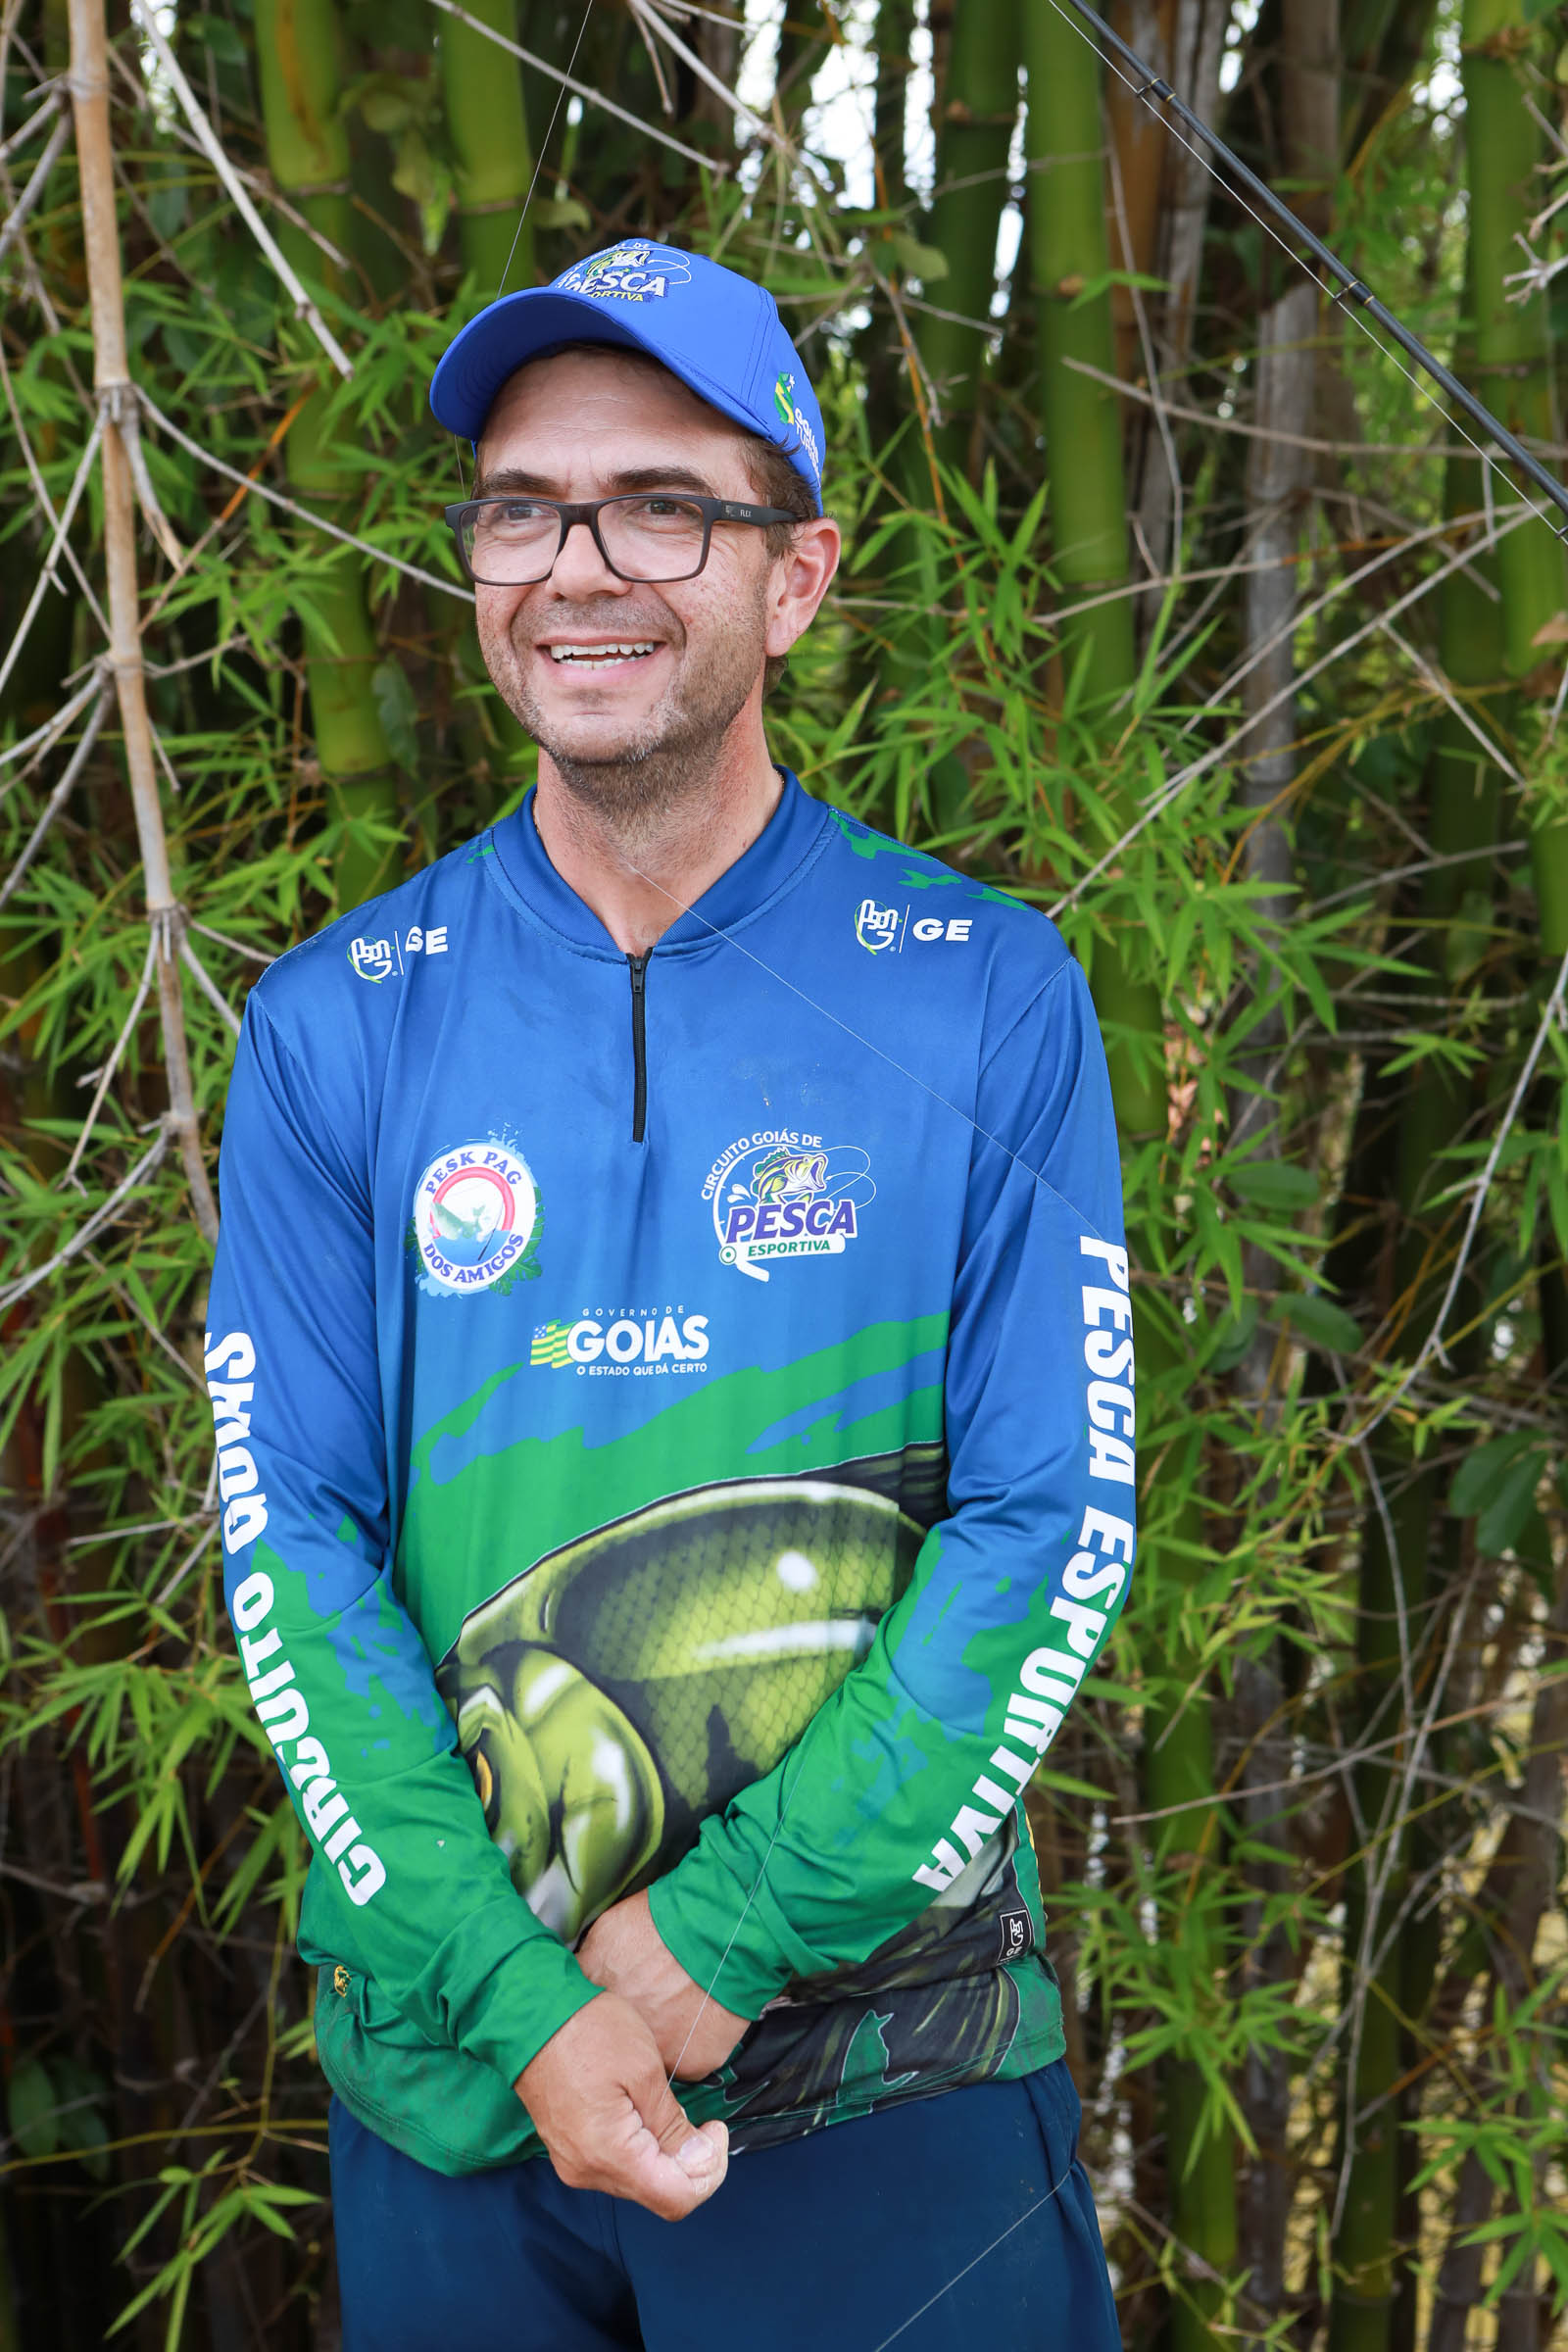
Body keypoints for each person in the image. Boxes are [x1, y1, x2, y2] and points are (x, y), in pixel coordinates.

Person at [204, 237, 1135, 2351]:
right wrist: (522, 1997)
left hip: (876, 2074)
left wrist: (715, 1939)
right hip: (461, 2081)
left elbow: (1050, 1525)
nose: (576, 570)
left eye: (659, 509)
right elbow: (292, 1551)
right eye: (523, 510)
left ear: (794, 579)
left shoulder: (986, 994)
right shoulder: (338, 1022)